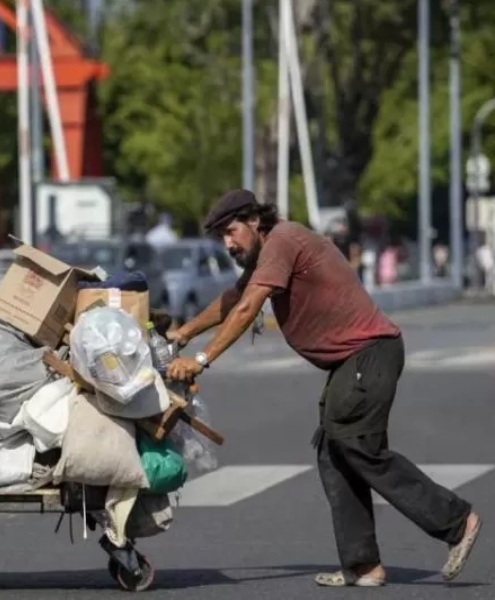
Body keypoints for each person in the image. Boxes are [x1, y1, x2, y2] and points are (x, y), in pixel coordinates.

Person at [165, 189, 482, 587]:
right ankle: (363, 566)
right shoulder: (270, 251)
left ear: (254, 222)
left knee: (358, 446)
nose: (228, 244)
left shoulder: (281, 240)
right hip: (353, 363)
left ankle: (457, 521)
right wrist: (185, 333)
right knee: (334, 452)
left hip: (370, 354)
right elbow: (235, 298)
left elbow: (248, 309)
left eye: (231, 231)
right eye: (221, 238)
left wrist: (199, 359)